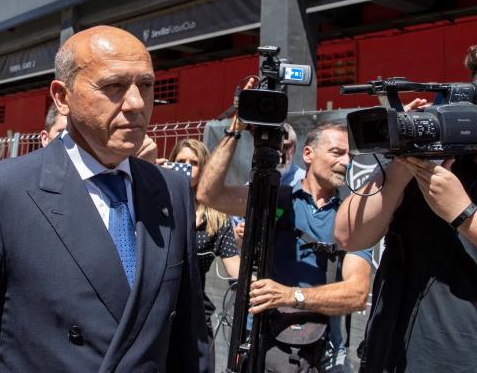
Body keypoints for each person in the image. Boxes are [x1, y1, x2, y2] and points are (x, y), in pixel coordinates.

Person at [0, 25, 210, 373]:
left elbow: (188, 337)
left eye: (146, 86)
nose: (136, 103)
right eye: (114, 87)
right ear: (62, 97)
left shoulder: (171, 190)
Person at [197, 114, 371, 373]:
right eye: (337, 153)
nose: (346, 162)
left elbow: (357, 294)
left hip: (324, 350)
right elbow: (210, 194)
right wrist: (236, 128)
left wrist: (292, 296)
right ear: (309, 154)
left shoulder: (352, 216)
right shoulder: (275, 198)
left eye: (350, 156)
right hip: (262, 342)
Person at [335, 153, 477, 371]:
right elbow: (349, 236)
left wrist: (464, 214)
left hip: (460, 355)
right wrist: (403, 162)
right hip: (389, 352)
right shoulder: (404, 155)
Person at [169, 138, 240, 344]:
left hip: (194, 313)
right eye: (181, 161)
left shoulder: (216, 218)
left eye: (194, 163)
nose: (187, 167)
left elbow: (234, 266)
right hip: (158, 310)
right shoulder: (157, 202)